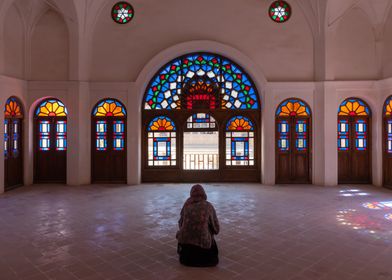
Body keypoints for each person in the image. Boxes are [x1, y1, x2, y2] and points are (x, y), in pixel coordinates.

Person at [176, 184, 220, 267]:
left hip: (185, 257)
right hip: (205, 253)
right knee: (208, 229)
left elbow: (180, 224)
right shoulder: (208, 206)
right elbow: (216, 229)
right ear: (204, 194)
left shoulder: (186, 205)